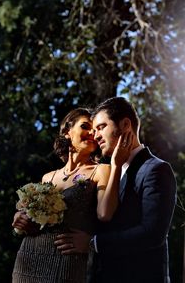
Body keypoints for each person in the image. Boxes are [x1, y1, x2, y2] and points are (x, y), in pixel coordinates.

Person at [55, 97, 177, 283]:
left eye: (101, 127)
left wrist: (92, 243)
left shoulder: (155, 169)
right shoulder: (110, 171)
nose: (95, 136)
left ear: (126, 124)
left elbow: (152, 233)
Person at [12, 107, 132, 283]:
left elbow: (105, 214)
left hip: (66, 263)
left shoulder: (101, 171)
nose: (92, 133)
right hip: (28, 260)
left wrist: (116, 166)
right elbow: (30, 216)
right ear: (68, 131)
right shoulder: (48, 177)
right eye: (85, 126)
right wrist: (20, 217)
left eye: (96, 129)